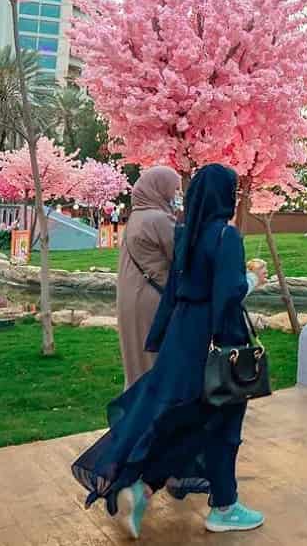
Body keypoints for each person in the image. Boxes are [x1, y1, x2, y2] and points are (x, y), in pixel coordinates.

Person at [72, 163, 269, 537]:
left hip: (183, 337)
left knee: (188, 421)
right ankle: (223, 507)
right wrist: (252, 279)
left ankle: (142, 487)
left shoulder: (187, 237)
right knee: (224, 422)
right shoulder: (225, 237)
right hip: (214, 341)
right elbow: (226, 296)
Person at [117, 166, 181, 388]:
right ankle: (153, 414)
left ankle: (134, 410)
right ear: (159, 188)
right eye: (174, 188)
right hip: (151, 300)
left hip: (132, 296)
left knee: (136, 360)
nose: (176, 195)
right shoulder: (158, 219)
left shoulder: (136, 217)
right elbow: (181, 256)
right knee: (155, 361)